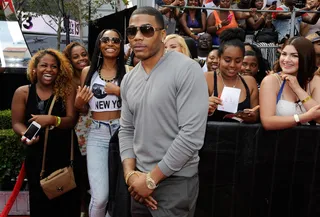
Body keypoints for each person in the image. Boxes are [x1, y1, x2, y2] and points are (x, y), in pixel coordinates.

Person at [119, 6, 208, 217]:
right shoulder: (129, 79)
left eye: (146, 30)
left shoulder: (187, 69)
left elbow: (191, 137)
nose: (138, 37)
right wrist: (131, 175)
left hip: (175, 182)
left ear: (162, 34)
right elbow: (126, 130)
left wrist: (151, 179)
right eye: (132, 32)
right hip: (138, 185)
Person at [11, 49, 81, 217]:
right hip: (37, 159)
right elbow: (17, 123)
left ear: (59, 70)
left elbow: (71, 120)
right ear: (34, 69)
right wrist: (26, 135)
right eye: (44, 65)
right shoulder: (23, 92)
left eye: (54, 66)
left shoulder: (67, 91)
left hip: (65, 158)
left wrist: (51, 120)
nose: (49, 70)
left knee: (68, 207)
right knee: (40, 207)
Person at [74, 29, 126, 217]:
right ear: (99, 44)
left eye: (115, 40)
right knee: (100, 196)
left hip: (123, 133)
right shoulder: (88, 72)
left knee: (121, 194)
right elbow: (84, 109)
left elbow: (138, 101)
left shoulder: (129, 71)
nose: (110, 43)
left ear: (121, 45)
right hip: (98, 134)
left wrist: (118, 91)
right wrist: (79, 104)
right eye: (106, 40)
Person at [260, 36, 320, 130]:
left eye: (294, 56)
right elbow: (267, 122)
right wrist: (305, 117)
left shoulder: (315, 81)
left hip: (308, 142)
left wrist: (298, 89)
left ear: (306, 58)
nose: (286, 60)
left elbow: (319, 118)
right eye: (284, 54)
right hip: (277, 142)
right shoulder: (271, 81)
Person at [205, 28, 259, 123]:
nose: (232, 65)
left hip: (241, 136)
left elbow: (256, 115)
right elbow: (192, 111)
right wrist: (204, 106)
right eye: (227, 60)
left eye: (238, 61)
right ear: (219, 58)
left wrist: (252, 116)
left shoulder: (250, 82)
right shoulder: (207, 78)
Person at [63, 42, 90, 217]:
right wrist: (80, 105)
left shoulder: (94, 75)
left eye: (83, 54)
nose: (81, 59)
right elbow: (76, 110)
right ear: (69, 61)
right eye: (76, 56)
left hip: (99, 132)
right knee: (83, 179)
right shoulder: (69, 82)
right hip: (80, 136)